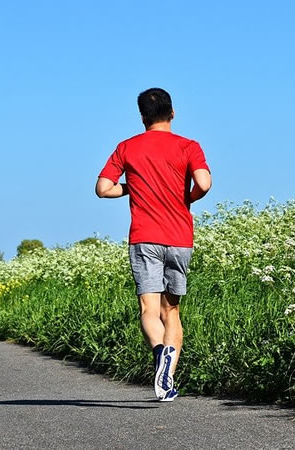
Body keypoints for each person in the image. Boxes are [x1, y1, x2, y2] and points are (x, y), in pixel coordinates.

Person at [96, 88, 212, 402]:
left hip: (144, 236)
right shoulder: (189, 146)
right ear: (172, 113)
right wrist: (187, 198)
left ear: (142, 117)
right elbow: (203, 183)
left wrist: (131, 188)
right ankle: (167, 378)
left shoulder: (127, 147)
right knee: (171, 311)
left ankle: (160, 353)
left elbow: (103, 188)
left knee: (149, 309)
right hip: (179, 237)